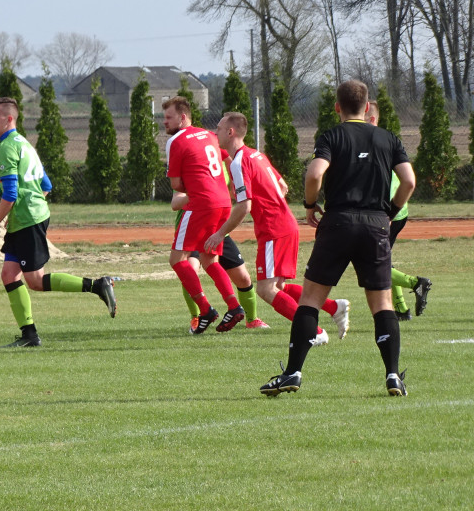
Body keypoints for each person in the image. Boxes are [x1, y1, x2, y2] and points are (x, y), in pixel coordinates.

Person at [261, 80, 415, 397]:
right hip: (375, 225)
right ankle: (392, 376)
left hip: (338, 221)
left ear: (337, 107)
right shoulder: (388, 138)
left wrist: (308, 205)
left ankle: (292, 373)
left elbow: (315, 174)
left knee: (311, 301)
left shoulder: (332, 135)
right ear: (367, 106)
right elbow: (409, 180)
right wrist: (390, 211)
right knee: (382, 304)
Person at [204, 112, 350, 344]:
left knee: (266, 290)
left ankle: (314, 331)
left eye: (219, 129)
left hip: (274, 229)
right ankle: (334, 307)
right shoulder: (257, 155)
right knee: (278, 286)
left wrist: (220, 233)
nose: (215, 133)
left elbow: (244, 206)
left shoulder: (239, 161)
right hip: (285, 224)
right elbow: (283, 186)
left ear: (230, 132)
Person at [0, 97, 116, 347]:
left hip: (27, 221)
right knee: (8, 275)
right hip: (28, 218)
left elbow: (11, 194)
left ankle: (98, 285)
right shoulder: (25, 144)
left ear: (9, 119)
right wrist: (31, 205)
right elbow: (46, 185)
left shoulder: (5, 147)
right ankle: (29, 335)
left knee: (35, 281)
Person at [163, 96, 245, 334]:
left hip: (201, 205)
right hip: (223, 203)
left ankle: (206, 309)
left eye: (168, 117)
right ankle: (234, 306)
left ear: (183, 117)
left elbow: (177, 185)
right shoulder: (209, 135)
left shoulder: (176, 141)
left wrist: (197, 185)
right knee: (209, 258)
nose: (164, 122)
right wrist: (228, 184)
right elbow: (227, 158)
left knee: (177, 259)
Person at [366, 101, 432, 320]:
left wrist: (386, 212)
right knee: (384, 260)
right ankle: (402, 310)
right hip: (395, 209)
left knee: (374, 264)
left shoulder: (372, 142)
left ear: (372, 119)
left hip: (387, 211)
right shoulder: (385, 141)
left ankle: (416, 283)